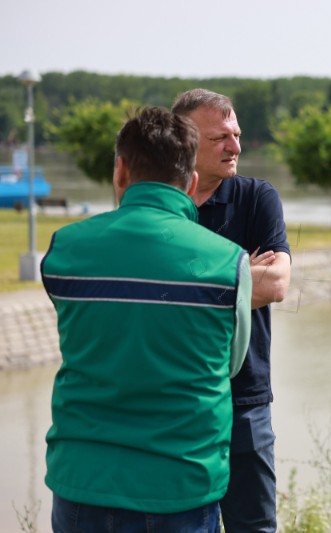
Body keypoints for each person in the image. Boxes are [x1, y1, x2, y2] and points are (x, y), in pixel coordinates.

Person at [42, 106, 252, 532]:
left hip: (84, 481)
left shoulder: (65, 249)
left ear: (120, 170)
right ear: (191, 181)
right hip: (183, 483)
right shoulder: (229, 262)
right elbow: (230, 365)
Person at [172, 89, 291, 533]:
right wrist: (243, 273)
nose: (236, 147)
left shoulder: (258, 197)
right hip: (176, 402)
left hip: (246, 403)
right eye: (220, 137)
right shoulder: (163, 208)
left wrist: (183, 287)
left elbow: (277, 284)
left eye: (236, 134)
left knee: (254, 528)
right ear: (183, 143)